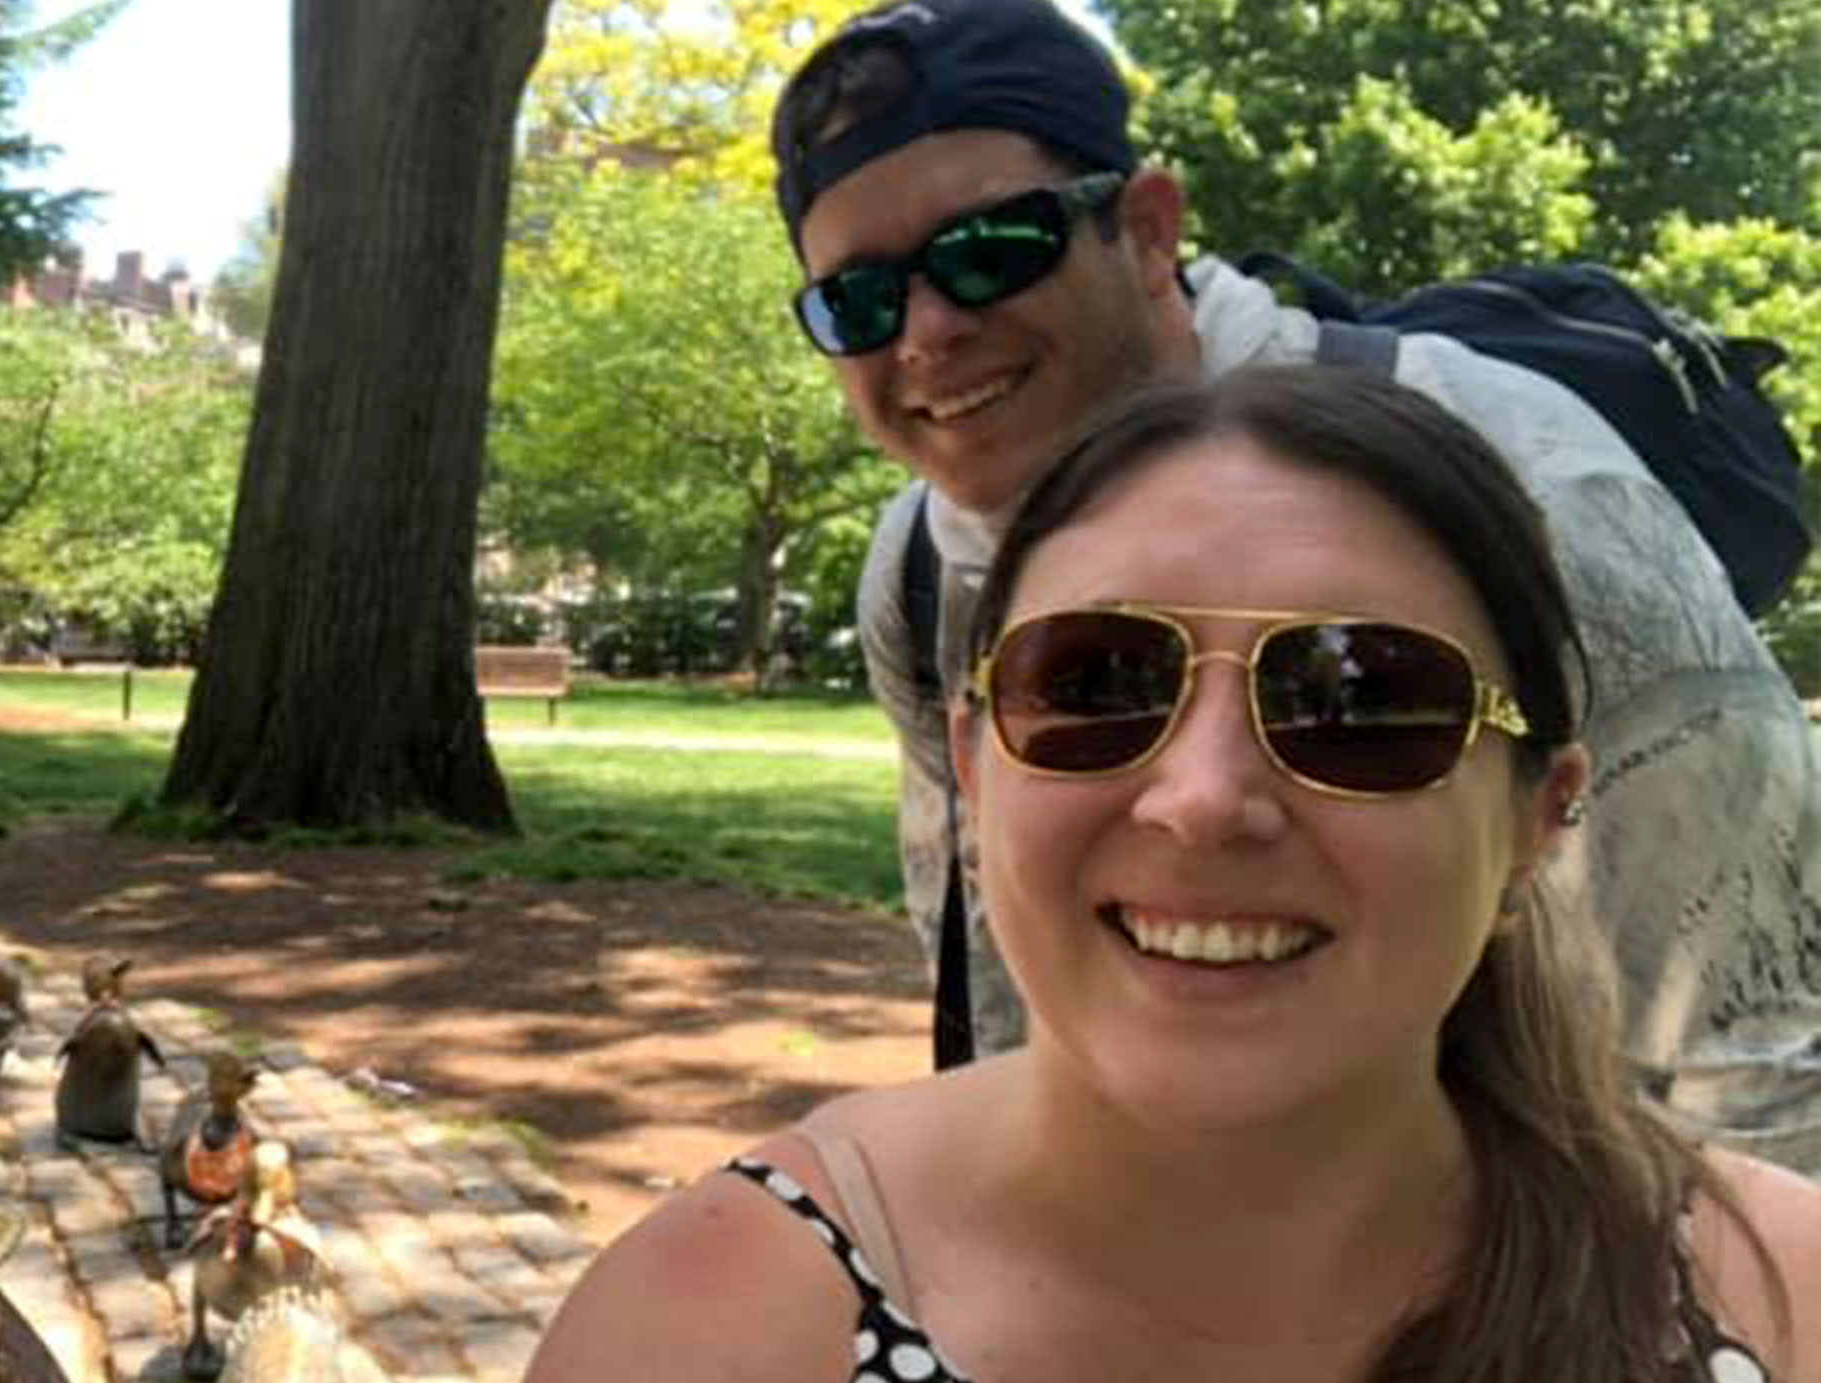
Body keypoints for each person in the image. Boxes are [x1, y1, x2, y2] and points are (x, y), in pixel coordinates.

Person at [474, 365, 1821, 1383]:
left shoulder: (1768, 1318)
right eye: (1097, 683)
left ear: (1539, 814)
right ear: (975, 764)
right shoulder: (725, 1349)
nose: (1201, 798)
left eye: (1361, 700)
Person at [767, 0, 1821, 1171]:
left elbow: (1757, 1069)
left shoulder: (1538, 497)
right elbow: (1008, 987)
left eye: (989, 251)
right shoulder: (921, 581)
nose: (925, 332)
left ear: (1149, 228)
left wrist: (1670, 1347)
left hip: (1536, 1282)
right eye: (856, 301)